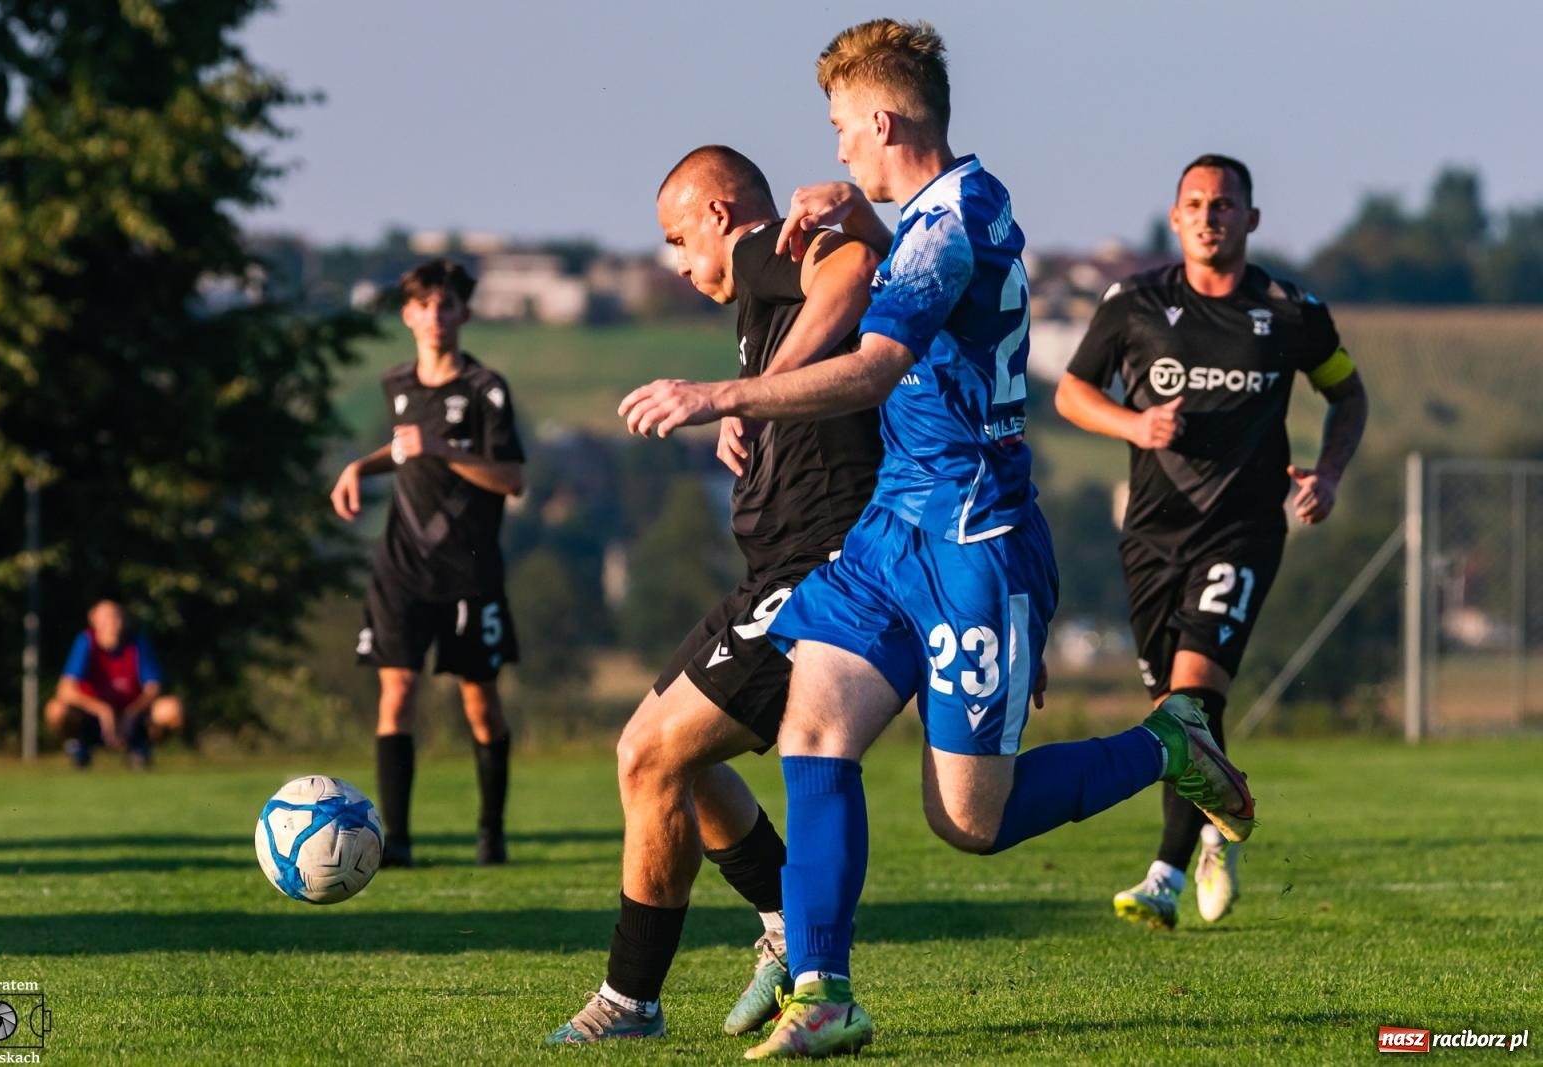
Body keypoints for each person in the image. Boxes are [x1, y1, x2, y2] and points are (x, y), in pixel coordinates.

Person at [618, 20, 1256, 1059]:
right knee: (809, 735)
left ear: (882, 118)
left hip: (974, 538)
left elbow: (872, 370)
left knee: (971, 819)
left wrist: (722, 393)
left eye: (839, 132)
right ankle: (823, 990)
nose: (832, 154)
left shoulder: (954, 220)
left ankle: (1167, 741)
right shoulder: (922, 209)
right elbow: (873, 249)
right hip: (887, 528)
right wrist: (854, 207)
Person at [547, 145, 883, 1045]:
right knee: (669, 757)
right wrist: (755, 399)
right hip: (770, 566)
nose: (676, 261)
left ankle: (630, 1000)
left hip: (820, 566)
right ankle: (781, 921)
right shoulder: (755, 298)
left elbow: (853, 265)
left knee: (647, 756)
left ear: (722, 215)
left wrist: (745, 392)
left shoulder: (770, 247)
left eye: (676, 237)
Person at [1053, 154, 1368, 930]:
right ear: (1174, 216)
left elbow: (1348, 393)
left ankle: (1161, 873)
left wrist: (1326, 473)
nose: (1209, 216)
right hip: (1151, 534)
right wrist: (1134, 424)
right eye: (1195, 203)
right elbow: (1070, 392)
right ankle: (1221, 827)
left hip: (1244, 526)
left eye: (1225, 204)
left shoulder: (1292, 311)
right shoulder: (1132, 302)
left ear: (1251, 220)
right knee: (1177, 714)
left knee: (1189, 701)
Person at [330, 258, 526, 868]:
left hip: (469, 570)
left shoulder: (486, 388)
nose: (436, 317)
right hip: (401, 569)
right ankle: (396, 843)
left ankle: (490, 833)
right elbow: (403, 450)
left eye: (447, 306)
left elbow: (512, 478)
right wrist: (361, 466)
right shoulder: (397, 386)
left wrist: (442, 448)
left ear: (463, 314)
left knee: (480, 704)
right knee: (397, 694)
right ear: (408, 315)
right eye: (425, 306)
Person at [45, 599, 185, 769]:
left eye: (116, 617)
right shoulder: (86, 642)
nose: (111, 623)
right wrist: (101, 709)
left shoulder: (136, 642)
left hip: (133, 719)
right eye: (105, 618)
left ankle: (142, 749)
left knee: (172, 709)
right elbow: (65, 689)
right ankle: (78, 748)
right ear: (93, 620)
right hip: (93, 719)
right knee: (56, 709)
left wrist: (131, 713)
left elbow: (154, 688)